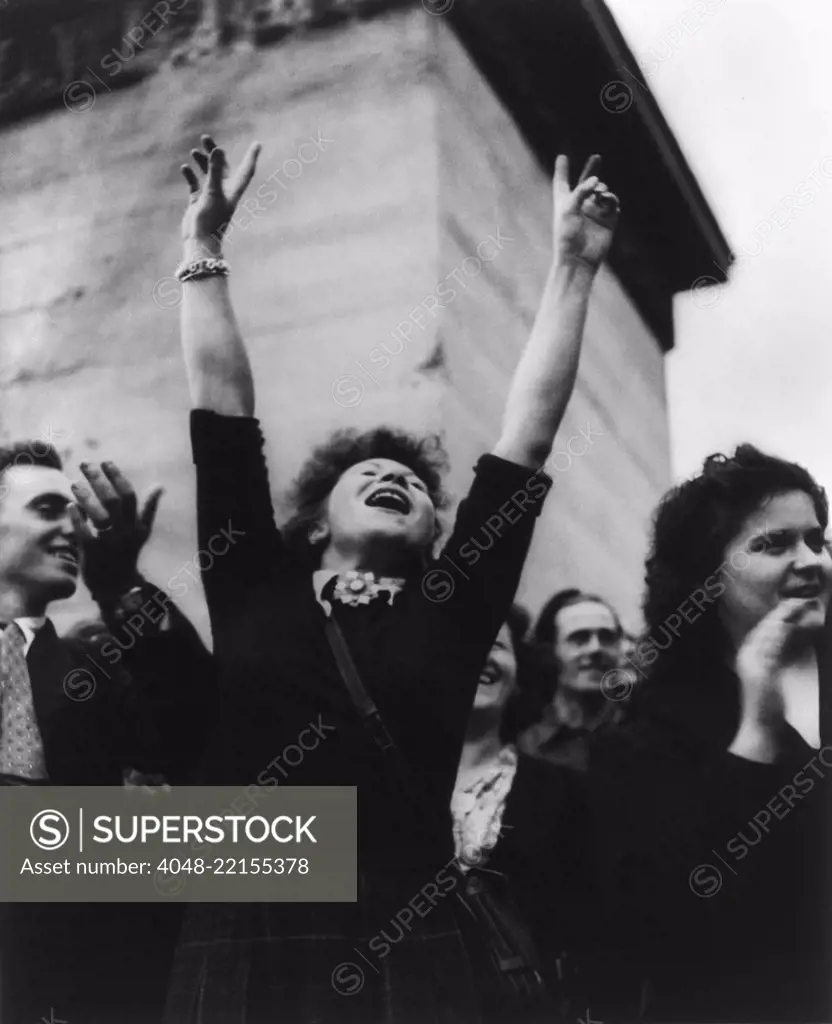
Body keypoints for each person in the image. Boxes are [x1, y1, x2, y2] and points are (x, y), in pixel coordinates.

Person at [162, 133, 619, 1023]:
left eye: (415, 485)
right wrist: (202, 250)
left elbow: (524, 437)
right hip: (246, 911)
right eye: (367, 474)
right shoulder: (254, 582)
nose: (397, 479)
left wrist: (574, 267)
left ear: (435, 538)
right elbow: (220, 410)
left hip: (405, 931)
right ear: (311, 522)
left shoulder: (450, 611)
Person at [582, 445, 832, 1023]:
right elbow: (667, 935)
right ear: (705, 580)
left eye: (816, 540)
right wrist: (756, 736)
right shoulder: (644, 740)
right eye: (772, 544)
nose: (811, 560)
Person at [0, 445, 212, 1024]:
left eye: (77, 516)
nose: (73, 529)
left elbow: (199, 732)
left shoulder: (93, 674)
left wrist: (119, 584)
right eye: (47, 509)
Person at [452, 605, 594, 1022]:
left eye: (495, 645)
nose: (480, 655)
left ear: (520, 677)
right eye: (463, 645)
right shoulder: (384, 785)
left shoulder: (568, 792)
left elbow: (595, 930)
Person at [520, 588, 626, 768]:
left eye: (607, 638)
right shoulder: (524, 740)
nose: (596, 648)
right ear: (552, 651)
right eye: (579, 638)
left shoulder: (640, 730)